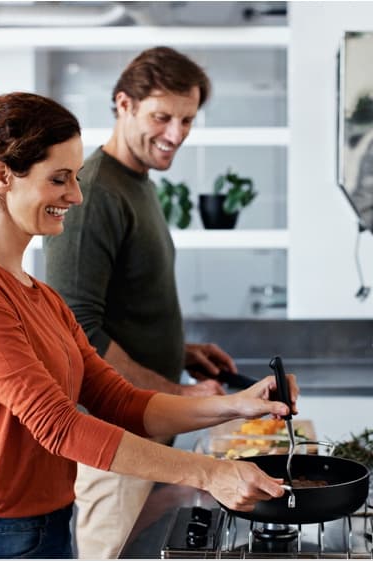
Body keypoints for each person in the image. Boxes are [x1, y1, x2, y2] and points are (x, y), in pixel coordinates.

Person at [0, 91, 298, 560]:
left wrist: (239, 406)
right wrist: (207, 472)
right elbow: (59, 425)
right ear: (2, 178)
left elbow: (120, 402)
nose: (76, 196)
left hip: (48, 527)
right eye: (59, 179)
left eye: (75, 178)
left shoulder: (40, 295)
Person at [43, 46, 241, 558]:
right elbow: (77, 328)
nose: (175, 134)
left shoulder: (136, 184)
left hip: (144, 435)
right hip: (112, 440)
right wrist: (177, 394)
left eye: (187, 120)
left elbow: (120, 309)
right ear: (123, 104)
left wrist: (181, 351)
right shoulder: (93, 194)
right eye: (161, 117)